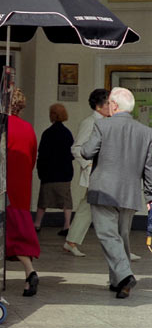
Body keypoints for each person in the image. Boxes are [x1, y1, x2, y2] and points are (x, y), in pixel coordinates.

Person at [81, 87, 152, 299]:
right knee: (121, 236)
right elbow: (149, 168)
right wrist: (150, 196)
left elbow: (87, 151)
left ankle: (125, 274)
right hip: (129, 193)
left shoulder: (102, 125)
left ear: (114, 105)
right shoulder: (146, 132)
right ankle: (119, 283)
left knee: (107, 235)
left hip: (104, 189)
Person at [63, 89, 111, 256]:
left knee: (89, 207)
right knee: (104, 208)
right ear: (98, 106)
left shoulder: (107, 121)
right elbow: (76, 148)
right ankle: (120, 249)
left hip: (105, 173)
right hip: (95, 173)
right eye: (107, 103)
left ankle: (71, 241)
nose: (110, 106)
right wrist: (88, 164)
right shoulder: (90, 122)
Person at [4, 88, 40, 297]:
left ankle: (27, 272)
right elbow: (32, 156)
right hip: (23, 182)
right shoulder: (28, 128)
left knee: (5, 229)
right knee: (20, 226)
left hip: (5, 182)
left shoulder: (1, 125)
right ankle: (29, 272)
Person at [34, 103, 74, 235]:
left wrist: (40, 171)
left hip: (48, 173)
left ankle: (37, 224)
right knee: (66, 201)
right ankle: (67, 225)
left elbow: (41, 154)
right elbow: (71, 153)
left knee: (43, 201)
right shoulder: (67, 133)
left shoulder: (47, 133)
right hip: (64, 173)